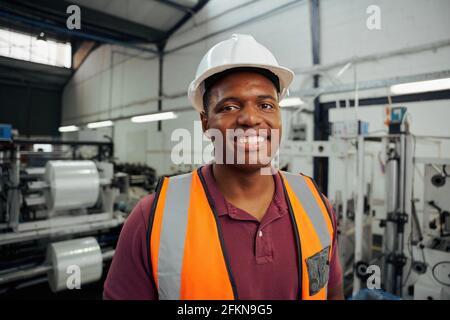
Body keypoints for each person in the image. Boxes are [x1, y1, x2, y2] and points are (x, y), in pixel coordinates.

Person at [104, 34, 344, 300]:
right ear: (206, 123)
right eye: (229, 106)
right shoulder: (152, 219)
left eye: (266, 105)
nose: (251, 118)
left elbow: (332, 294)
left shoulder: (315, 204)